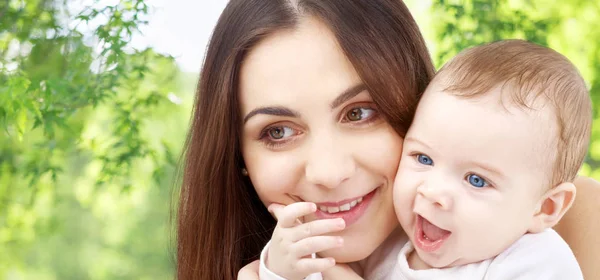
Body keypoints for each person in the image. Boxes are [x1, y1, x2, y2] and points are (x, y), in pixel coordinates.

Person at [177, 1, 600, 279]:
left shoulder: (553, 240)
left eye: (359, 112)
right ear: (237, 157)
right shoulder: (396, 250)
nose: (329, 172)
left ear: (412, 103)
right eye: (278, 132)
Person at [390, 39, 587, 278]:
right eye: (423, 158)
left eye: (476, 180)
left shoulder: (537, 260)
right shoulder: (389, 242)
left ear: (544, 207)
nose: (433, 192)